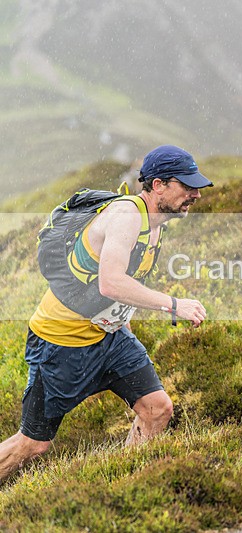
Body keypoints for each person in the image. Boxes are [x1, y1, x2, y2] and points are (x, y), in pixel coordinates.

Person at [0, 145, 212, 483]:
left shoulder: (156, 224)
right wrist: (174, 305)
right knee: (33, 444)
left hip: (110, 337)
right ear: (158, 185)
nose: (196, 194)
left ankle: (120, 486)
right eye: (186, 186)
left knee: (158, 410)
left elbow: (122, 283)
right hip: (60, 342)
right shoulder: (127, 215)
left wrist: (122, 320)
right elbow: (111, 283)